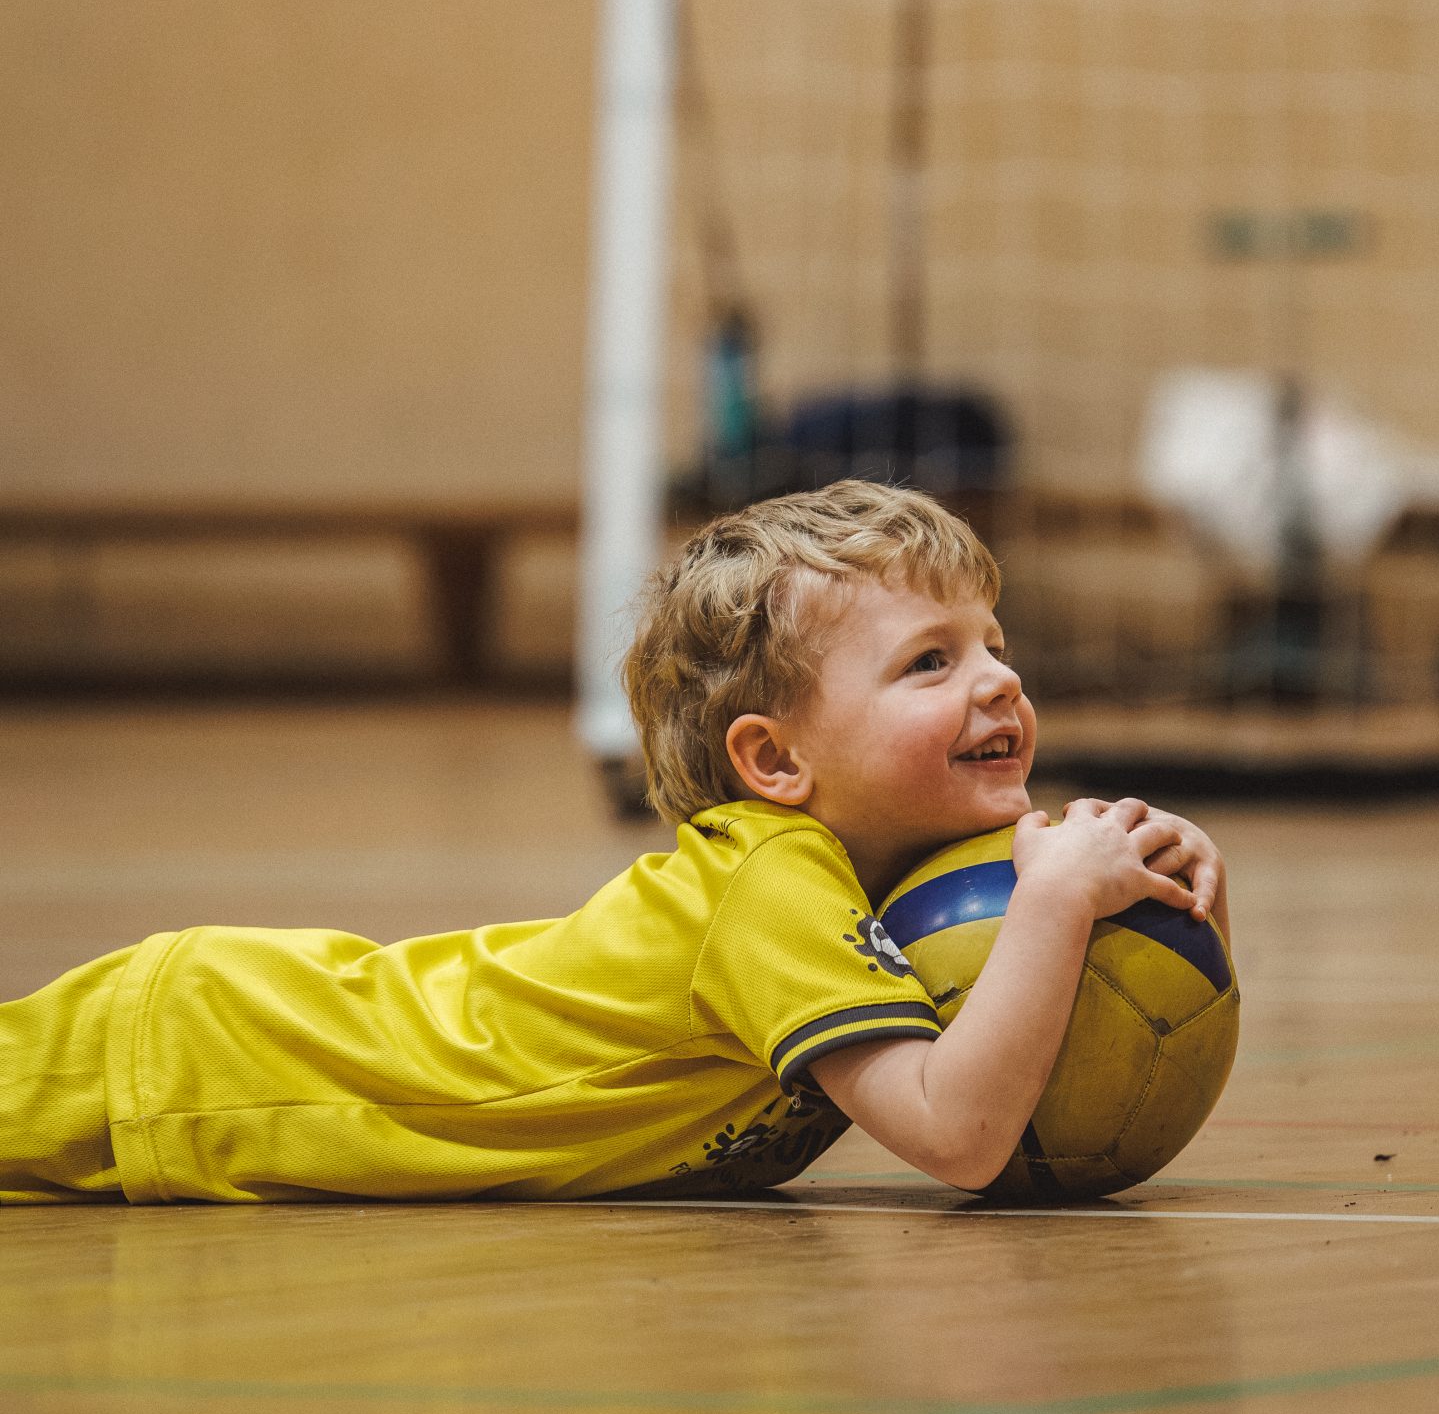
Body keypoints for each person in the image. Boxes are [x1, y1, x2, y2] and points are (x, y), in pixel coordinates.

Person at [0, 481, 1228, 1205]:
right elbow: (957, 1136)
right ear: (774, 762)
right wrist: (1059, 906)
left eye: (995, 645)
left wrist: (1156, 902)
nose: (998, 683)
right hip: (204, 1056)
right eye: (930, 662)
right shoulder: (771, 884)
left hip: (235, 1059)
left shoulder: (889, 880)